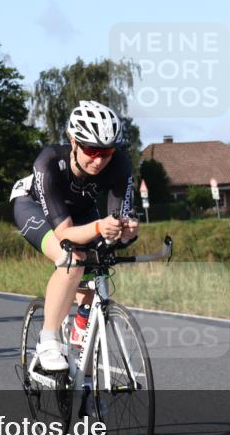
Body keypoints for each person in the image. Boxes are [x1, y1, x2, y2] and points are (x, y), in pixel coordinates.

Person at [10, 100, 139, 370]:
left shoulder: (120, 165)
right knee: (72, 259)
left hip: (80, 212)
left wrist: (124, 233)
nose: (99, 160)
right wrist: (98, 228)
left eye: (107, 152)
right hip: (32, 208)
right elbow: (66, 233)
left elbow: (116, 221)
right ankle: (48, 339)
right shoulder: (48, 162)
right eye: (92, 150)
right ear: (73, 140)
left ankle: (80, 338)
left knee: (98, 269)